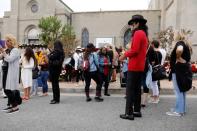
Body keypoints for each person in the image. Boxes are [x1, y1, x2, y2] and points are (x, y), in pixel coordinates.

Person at [119, 14, 148, 120]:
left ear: (137, 24)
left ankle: (129, 113)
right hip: (139, 66)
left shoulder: (138, 33)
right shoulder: (143, 33)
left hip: (134, 65)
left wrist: (124, 55)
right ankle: (136, 111)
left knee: (130, 90)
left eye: (132, 24)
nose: (131, 26)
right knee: (136, 90)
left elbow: (134, 50)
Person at [166, 30, 192, 117]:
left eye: (174, 34)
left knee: (179, 91)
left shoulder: (180, 43)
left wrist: (178, 58)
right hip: (183, 70)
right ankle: (181, 109)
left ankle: (178, 111)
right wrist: (182, 60)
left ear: (177, 36)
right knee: (182, 91)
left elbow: (179, 49)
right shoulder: (186, 44)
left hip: (178, 71)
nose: (173, 36)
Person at [0, 34, 20, 113]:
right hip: (6, 71)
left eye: (8, 41)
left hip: (11, 72)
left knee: (8, 90)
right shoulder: (8, 50)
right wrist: (3, 52)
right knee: (6, 89)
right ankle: (10, 105)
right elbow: (1, 57)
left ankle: (15, 107)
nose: (6, 42)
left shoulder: (15, 50)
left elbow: (9, 59)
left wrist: (3, 51)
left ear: (12, 42)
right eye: (6, 41)